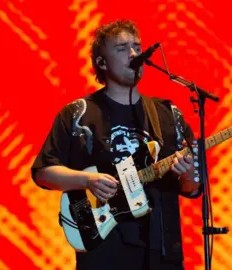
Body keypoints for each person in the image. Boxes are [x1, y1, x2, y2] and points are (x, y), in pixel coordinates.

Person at [31, 19, 201, 270]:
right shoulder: (79, 114)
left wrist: (187, 173)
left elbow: (192, 189)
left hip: (162, 248)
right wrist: (87, 181)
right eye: (122, 48)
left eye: (136, 46)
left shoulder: (168, 114)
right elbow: (43, 172)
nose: (133, 53)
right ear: (101, 62)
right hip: (104, 248)